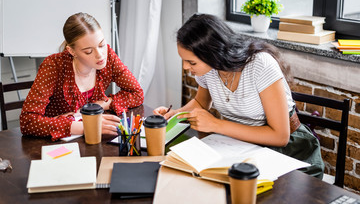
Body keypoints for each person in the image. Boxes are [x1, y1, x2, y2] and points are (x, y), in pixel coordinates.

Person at [154, 13, 324, 179]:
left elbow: (280, 137)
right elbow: (200, 103)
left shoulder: (260, 65)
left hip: (290, 153)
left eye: (191, 62)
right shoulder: (208, 70)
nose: (185, 67)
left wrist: (216, 124)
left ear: (213, 53)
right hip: (239, 147)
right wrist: (174, 115)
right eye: (184, 60)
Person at [20, 12, 144, 141]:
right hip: (59, 145)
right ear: (72, 51)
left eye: (101, 45)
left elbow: (137, 93)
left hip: (95, 140)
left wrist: (102, 105)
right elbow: (28, 121)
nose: (100, 55)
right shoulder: (53, 66)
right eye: (88, 51)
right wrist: (87, 126)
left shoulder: (109, 57)